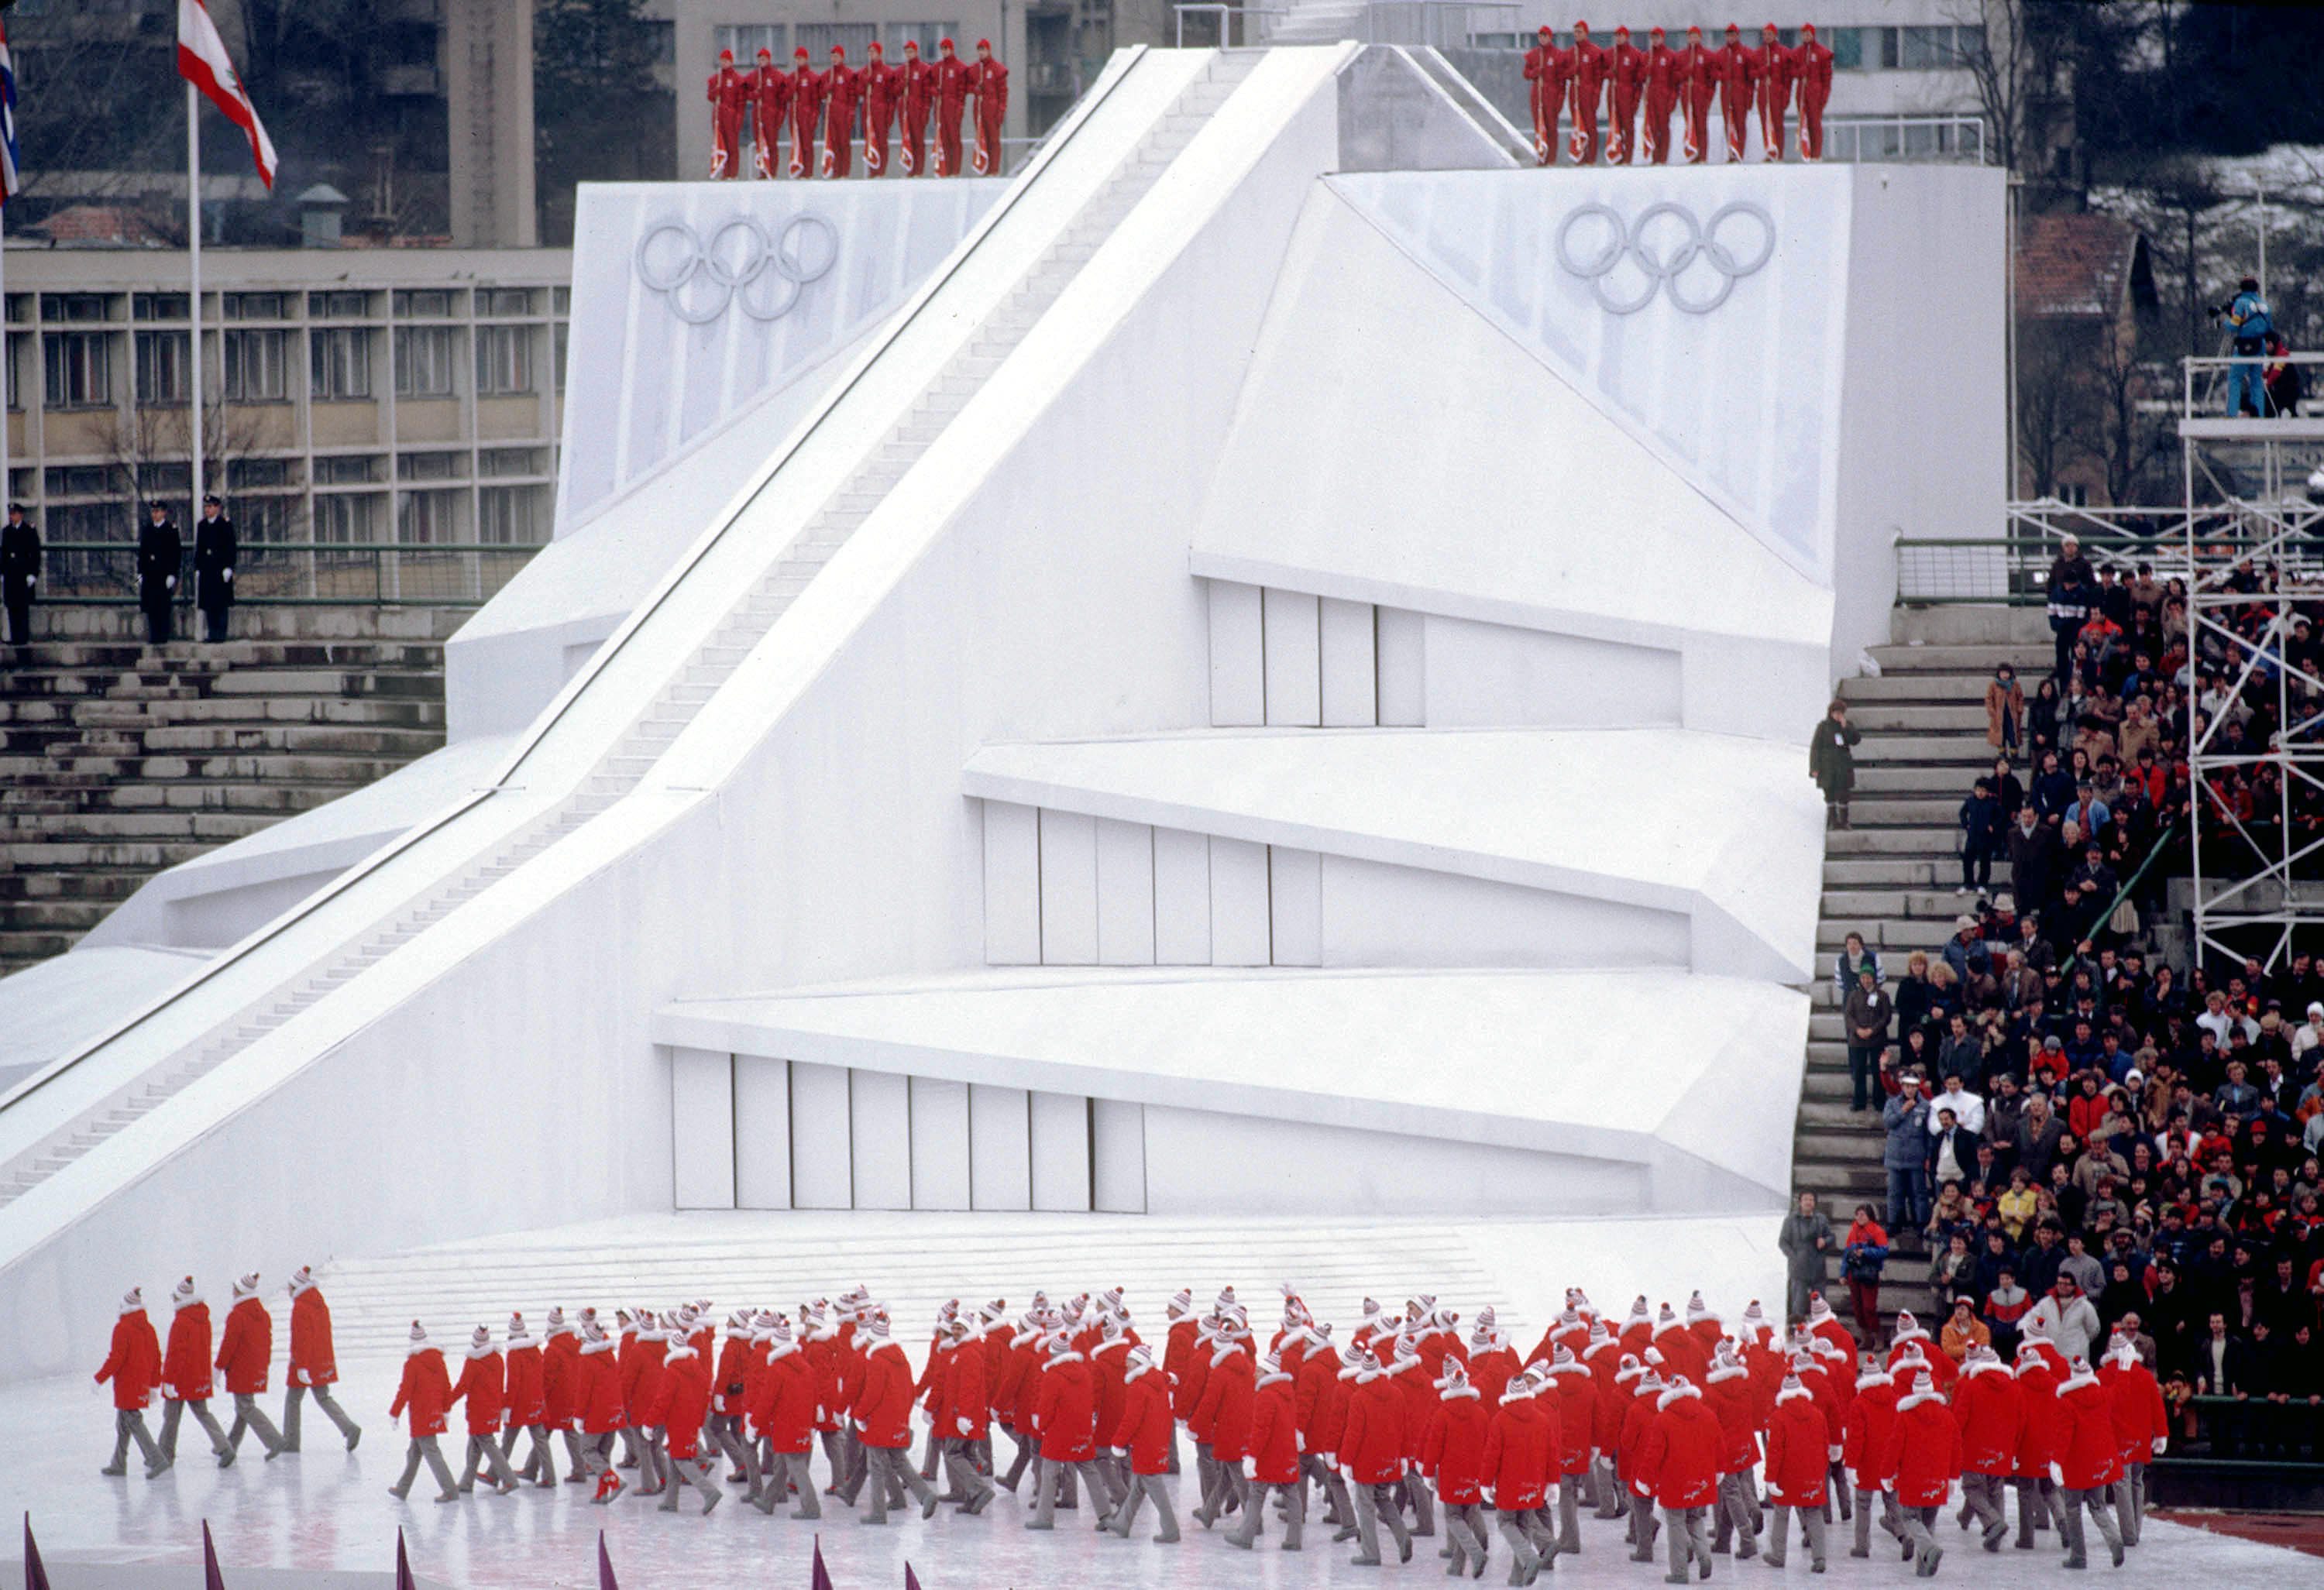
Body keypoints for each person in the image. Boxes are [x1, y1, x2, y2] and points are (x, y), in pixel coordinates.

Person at [283, 1265, 361, 1453]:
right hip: (321, 1358)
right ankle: (348, 1427)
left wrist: (301, 1366)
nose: (288, 1290)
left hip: (304, 1361)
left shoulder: (300, 1307)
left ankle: (291, 1441)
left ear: (295, 1287)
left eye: (290, 1287)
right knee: (323, 1397)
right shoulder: (318, 1302)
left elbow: (302, 1338)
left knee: (293, 1399)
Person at [95, 1286, 168, 1478]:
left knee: (132, 1420)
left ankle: (156, 1459)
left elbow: (116, 1359)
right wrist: (153, 1384)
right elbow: (156, 1357)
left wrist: (99, 1378)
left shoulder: (122, 1328)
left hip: (127, 1383)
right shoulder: (148, 1328)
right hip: (141, 1382)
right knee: (123, 1423)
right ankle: (118, 1463)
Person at [217, 1271, 287, 1460]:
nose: (232, 1292)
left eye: (235, 1289)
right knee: (244, 1407)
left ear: (240, 1291)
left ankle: (274, 1440)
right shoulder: (263, 1314)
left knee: (245, 1407)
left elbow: (228, 1344)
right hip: (256, 1367)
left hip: (241, 1369)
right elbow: (268, 1342)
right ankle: (229, 1444)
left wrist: (218, 1366)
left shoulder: (237, 1315)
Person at [390, 1321, 462, 1502]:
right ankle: (403, 1488)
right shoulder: (438, 1360)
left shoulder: (412, 1364)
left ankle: (450, 1490)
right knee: (414, 1452)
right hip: (435, 1411)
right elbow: (447, 1387)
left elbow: (405, 1390)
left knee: (431, 1451)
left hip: (421, 1414)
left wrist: (394, 1412)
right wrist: (445, 1410)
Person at [2221, 275, 2274, 418]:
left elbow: (2234, 325)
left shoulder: (2241, 303)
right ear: (2256, 289)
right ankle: (2258, 415)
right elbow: (2270, 328)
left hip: (2244, 346)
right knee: (2257, 382)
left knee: (2235, 379)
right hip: (2260, 346)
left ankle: (2232, 414)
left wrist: (2222, 322)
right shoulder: (2264, 305)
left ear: (2242, 288)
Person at [2045, 536, 2096, 684]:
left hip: (2077, 617)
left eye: (2073, 545)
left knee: (2078, 651)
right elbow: (2051, 584)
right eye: (2067, 545)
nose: (2070, 548)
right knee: (2061, 653)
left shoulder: (2084, 564)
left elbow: (2091, 584)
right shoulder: (2058, 564)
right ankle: (2062, 676)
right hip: (2061, 617)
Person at [1779, 1192, 1834, 1320]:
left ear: (1814, 1203)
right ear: (1800, 1202)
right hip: (1798, 1269)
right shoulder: (1790, 1220)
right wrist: (1794, 1257)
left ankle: (1820, 1333)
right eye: (1806, 1199)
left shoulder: (1821, 1219)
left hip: (1818, 1267)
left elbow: (1831, 1237)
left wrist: (1825, 1241)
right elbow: (1783, 1242)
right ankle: (1798, 1334)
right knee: (1798, 1305)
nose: (1808, 1202)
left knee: (1820, 1305)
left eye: (1811, 1200)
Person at [1843, 967, 1892, 1112]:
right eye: (1863, 977)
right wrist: (1858, 1030)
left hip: (1877, 1039)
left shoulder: (1882, 995)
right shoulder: (1853, 995)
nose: (1866, 980)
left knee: (1878, 1072)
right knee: (1859, 1072)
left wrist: (1873, 1030)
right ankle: (1859, 1102)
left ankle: (1879, 1101)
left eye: (1868, 977)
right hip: (1858, 1040)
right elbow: (1848, 1016)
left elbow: (1886, 1017)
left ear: (1873, 978)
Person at [1841, 1204, 1890, 1344]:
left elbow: (1884, 1251)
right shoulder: (1853, 1231)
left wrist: (1866, 1251)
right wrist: (1843, 1274)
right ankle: (1865, 1337)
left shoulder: (1877, 1231)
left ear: (1869, 1216)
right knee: (1857, 1308)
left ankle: (1877, 1336)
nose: (1860, 1217)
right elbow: (1847, 1254)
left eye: (1863, 1214)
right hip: (1854, 1273)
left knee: (1869, 1308)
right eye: (1858, 1215)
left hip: (1869, 1273)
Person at [136, 500, 183, 647]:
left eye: (158, 511)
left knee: (163, 606)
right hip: (150, 573)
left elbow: (175, 554)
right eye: (153, 512)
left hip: (163, 574)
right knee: (151, 606)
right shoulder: (148, 529)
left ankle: (163, 635)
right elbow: (142, 553)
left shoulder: (170, 530)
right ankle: (154, 634)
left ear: (163, 513)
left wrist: (172, 574)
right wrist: (140, 572)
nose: (155, 514)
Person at [1810, 698, 1859, 829]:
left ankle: (1844, 821)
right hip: (1828, 767)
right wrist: (1814, 767)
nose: (1838, 716)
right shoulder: (1823, 727)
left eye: (1840, 713)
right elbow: (1816, 748)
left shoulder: (1847, 725)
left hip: (1843, 766)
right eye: (1835, 713)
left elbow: (1855, 740)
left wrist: (1846, 728)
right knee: (1830, 794)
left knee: (1844, 794)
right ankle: (1833, 821)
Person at [968, 39, 1008, 177]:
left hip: (992, 108)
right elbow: (965, 86)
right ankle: (983, 168)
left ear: (989, 50)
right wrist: (975, 89)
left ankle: (994, 169)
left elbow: (1003, 92)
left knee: (993, 139)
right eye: (979, 50)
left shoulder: (997, 69)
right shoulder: (974, 69)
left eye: (983, 50)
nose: (981, 53)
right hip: (978, 108)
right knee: (981, 137)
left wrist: (1001, 110)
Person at [1959, 775, 2006, 893]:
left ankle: (1982, 884)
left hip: (1986, 837)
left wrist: (1993, 826)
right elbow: (1962, 813)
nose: (1980, 793)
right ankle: (1968, 883)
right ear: (1975, 790)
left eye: (1983, 791)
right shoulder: (1970, 801)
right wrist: (1966, 825)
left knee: (1985, 862)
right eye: (1978, 790)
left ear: (1987, 792)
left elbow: (2001, 816)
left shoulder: (1992, 803)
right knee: (1968, 861)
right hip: (1972, 836)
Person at [1, 501, 38, 649]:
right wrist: (2, 571)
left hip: (23, 574)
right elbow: (3, 554)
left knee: (22, 607)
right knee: (12, 607)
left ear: (20, 515)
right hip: (11, 574)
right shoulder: (6, 531)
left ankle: (23, 638)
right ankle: (15, 637)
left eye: (14, 514)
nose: (12, 517)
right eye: (10, 514)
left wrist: (33, 573)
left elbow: (34, 554)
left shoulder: (29, 531)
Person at [1985, 660, 2024, 755]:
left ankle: (2014, 756)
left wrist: (2020, 708)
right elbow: (1989, 698)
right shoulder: (1994, 685)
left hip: (2012, 715)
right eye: (2002, 673)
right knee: (2001, 737)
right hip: (1999, 716)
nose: (2005, 675)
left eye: (2007, 673)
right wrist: (1992, 711)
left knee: (2013, 736)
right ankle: (2002, 757)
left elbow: (2020, 697)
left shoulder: (2015, 684)